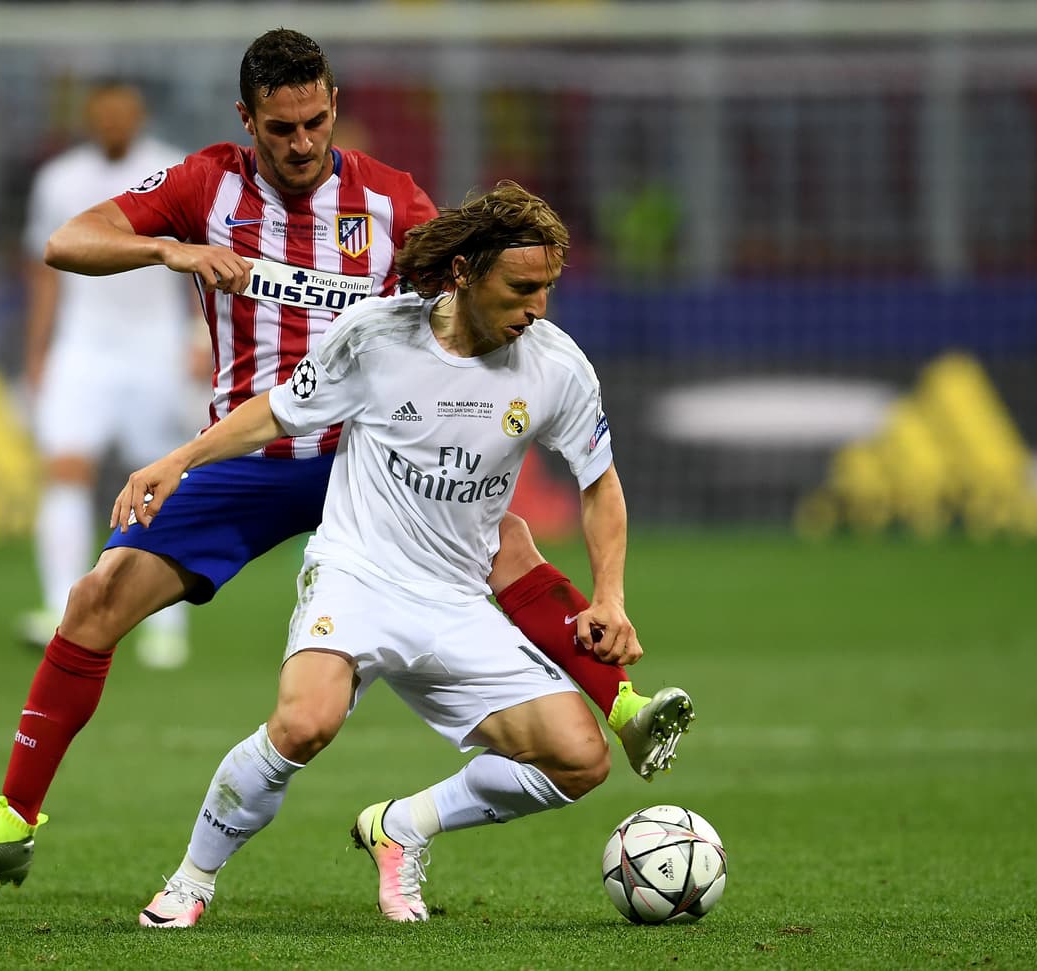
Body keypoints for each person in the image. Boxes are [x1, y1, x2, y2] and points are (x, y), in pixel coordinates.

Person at [0, 29, 691, 891]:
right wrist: (172, 250)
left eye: (315, 123)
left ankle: (621, 702)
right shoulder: (203, 184)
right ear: (245, 117)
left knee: (501, 536)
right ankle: (14, 820)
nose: (300, 144)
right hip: (251, 451)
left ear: (333, 110)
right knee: (96, 599)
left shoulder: (391, 199)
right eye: (280, 127)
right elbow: (69, 241)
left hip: (367, 453)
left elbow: (465, 293)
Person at [127, 182, 688, 927]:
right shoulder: (376, 337)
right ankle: (190, 880)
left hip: (456, 600)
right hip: (357, 572)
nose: (539, 307)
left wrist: (609, 595)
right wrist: (179, 461)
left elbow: (600, 485)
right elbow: (277, 411)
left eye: (548, 287)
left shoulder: (556, 368)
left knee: (581, 759)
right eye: (521, 288)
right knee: (303, 723)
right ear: (463, 273)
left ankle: (405, 826)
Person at [17, 80, 199, 670]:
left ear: (139, 115)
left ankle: (166, 627)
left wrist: (201, 338)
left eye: (125, 113)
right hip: (83, 346)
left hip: (156, 347)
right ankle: (59, 607)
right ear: (90, 118)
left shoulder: (172, 171)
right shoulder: (59, 180)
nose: (115, 122)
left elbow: (202, 259)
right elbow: (44, 271)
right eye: (105, 114)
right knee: (65, 469)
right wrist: (38, 351)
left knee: (159, 482)